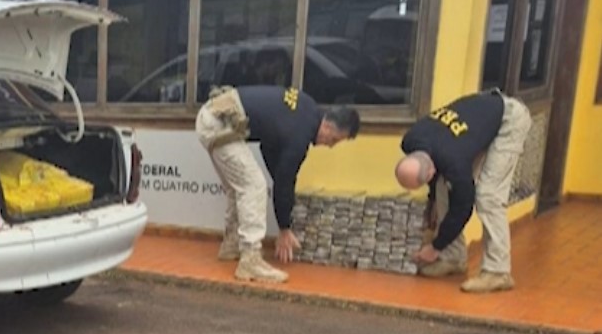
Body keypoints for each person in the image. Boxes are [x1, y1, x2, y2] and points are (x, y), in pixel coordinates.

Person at [196, 85, 361, 283]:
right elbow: (284, 179)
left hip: (214, 114)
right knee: (254, 186)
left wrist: (282, 188)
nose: (330, 146)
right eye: (333, 140)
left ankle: (231, 245)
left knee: (239, 187)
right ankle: (250, 259)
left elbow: (269, 148)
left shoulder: (307, 109)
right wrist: (284, 228)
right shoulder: (300, 134)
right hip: (219, 121)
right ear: (327, 127)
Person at [394, 89, 531, 293]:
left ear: (430, 171)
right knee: (442, 187)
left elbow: (463, 207)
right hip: (479, 118)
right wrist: (432, 206)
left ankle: (498, 272)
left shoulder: (455, 163)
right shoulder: (410, 140)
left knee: (488, 196)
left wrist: (436, 246)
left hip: (508, 120)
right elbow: (437, 182)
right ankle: (454, 259)